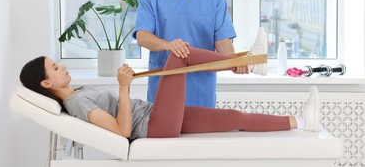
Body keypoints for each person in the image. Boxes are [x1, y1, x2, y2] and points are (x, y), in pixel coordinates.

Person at [19, 47, 319, 140]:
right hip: (153, 125)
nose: (62, 67)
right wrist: (124, 88)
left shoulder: (77, 91)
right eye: (55, 68)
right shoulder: (76, 102)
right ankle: (243, 63)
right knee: (180, 54)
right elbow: (122, 131)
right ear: (46, 84)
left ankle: (300, 122)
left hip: (156, 118)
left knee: (233, 117)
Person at [133, 0, 266, 107]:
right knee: (163, 132)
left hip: (201, 90)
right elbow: (142, 36)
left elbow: (222, 41)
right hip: (164, 88)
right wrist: (168, 45)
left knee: (203, 133)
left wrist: (236, 61)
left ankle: (254, 60)